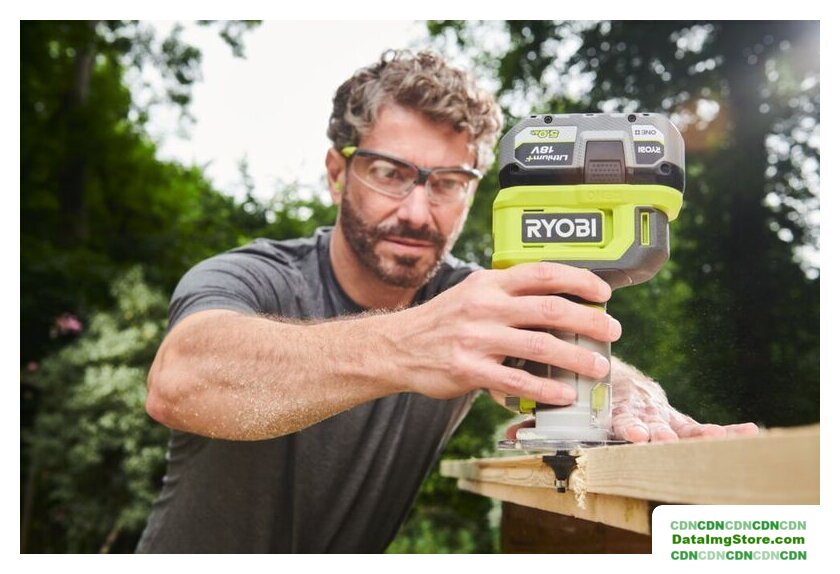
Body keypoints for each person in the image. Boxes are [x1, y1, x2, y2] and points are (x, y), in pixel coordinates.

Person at [137, 50, 757, 553]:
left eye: (449, 183)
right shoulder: (257, 276)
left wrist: (626, 395)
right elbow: (181, 381)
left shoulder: (465, 301)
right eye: (389, 172)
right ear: (337, 172)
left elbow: (547, 349)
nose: (416, 210)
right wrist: (412, 344)